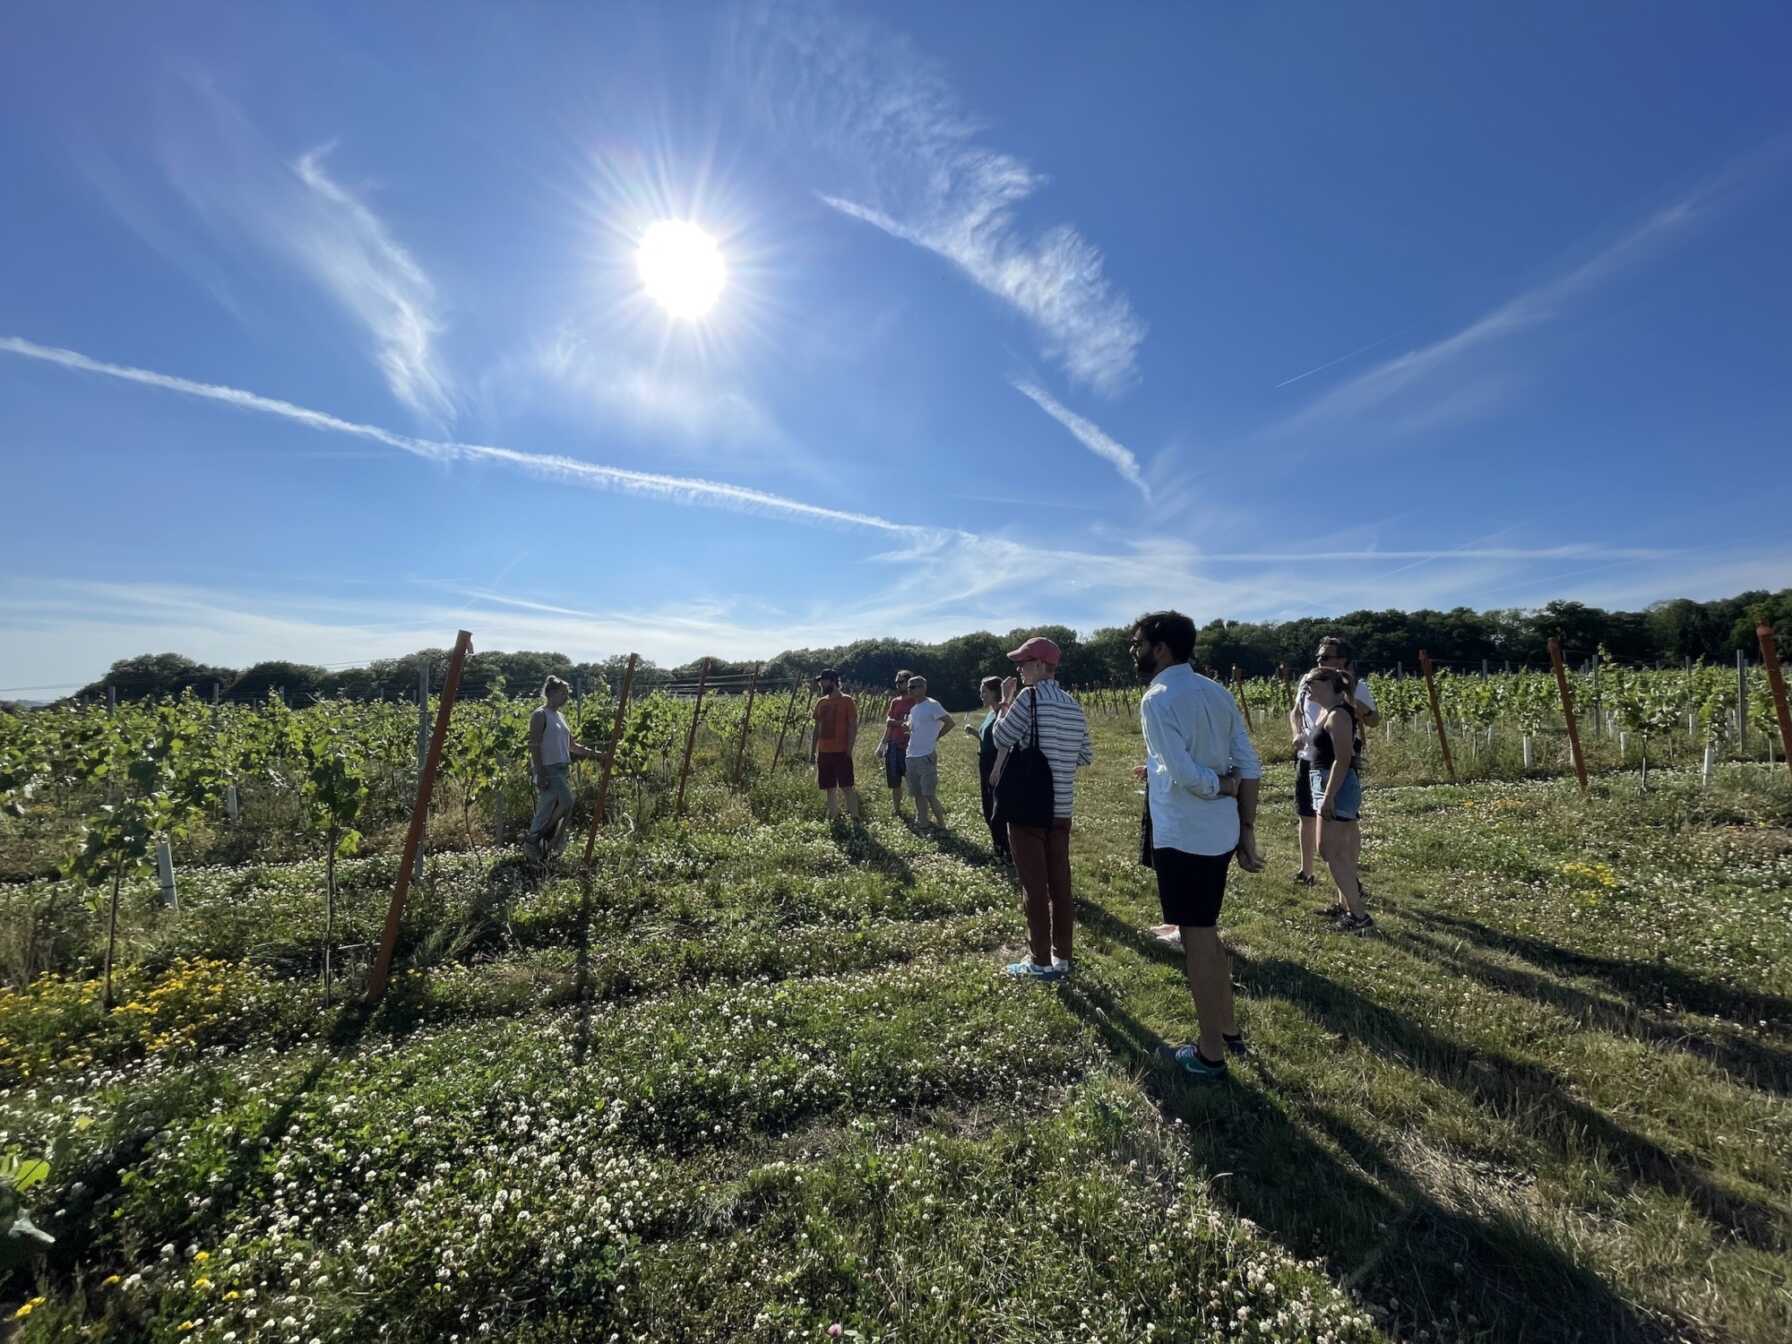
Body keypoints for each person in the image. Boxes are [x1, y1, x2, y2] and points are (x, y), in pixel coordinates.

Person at [1131, 611, 1264, 1081]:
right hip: (1220, 834)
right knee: (1207, 931)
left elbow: (1189, 775)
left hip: (1184, 835)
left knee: (1197, 939)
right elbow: (1249, 763)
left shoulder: (1157, 699)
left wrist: (1220, 786)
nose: (1134, 652)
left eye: (1138, 643)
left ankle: (1209, 1053)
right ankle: (1227, 1028)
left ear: (1161, 648)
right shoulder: (1216, 691)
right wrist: (1246, 828)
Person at [991, 636, 1094, 980]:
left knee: (1034, 887)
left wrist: (1004, 704)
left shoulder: (1029, 697)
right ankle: (1062, 956)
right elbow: (1086, 755)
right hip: (1062, 808)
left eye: (1023, 663)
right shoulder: (1072, 704)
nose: (1019, 670)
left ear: (1039, 665)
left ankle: (1039, 960)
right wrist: (1059, 758)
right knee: (1060, 884)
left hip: (1029, 807)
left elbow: (1001, 737)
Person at [1290, 635, 1379, 893]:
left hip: (1337, 761)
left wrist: (1352, 701)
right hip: (1308, 758)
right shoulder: (1308, 680)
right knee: (1306, 815)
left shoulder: (1355, 687)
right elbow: (1295, 712)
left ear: (1344, 660)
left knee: (1345, 822)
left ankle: (1349, 881)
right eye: (1319, 656)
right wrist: (1297, 733)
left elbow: (1374, 721)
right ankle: (1306, 872)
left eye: (1326, 657)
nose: (1320, 660)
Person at [1305, 667, 1373, 933]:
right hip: (1326, 784)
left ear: (1329, 685)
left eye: (1311, 682)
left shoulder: (1339, 715)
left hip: (1335, 787)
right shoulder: (1328, 712)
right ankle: (1349, 907)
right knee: (1336, 853)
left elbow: (1343, 760)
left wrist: (1328, 798)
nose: (1307, 686)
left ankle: (1358, 916)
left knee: (1330, 851)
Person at [524, 675, 602, 862]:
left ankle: (542, 846)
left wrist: (598, 755)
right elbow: (534, 745)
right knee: (567, 802)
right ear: (551, 693)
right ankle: (535, 838)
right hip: (548, 768)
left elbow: (572, 746)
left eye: (567, 694)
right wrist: (540, 772)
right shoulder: (540, 715)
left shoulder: (561, 717)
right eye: (563, 693)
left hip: (562, 768)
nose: (566, 697)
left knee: (547, 808)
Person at [964, 675, 1011, 861]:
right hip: (985, 761)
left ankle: (1007, 850)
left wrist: (997, 768)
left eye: (984, 691)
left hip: (995, 762)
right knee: (987, 806)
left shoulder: (1002, 711)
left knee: (996, 809)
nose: (981, 695)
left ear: (994, 692)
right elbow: (989, 738)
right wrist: (975, 733)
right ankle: (999, 847)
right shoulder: (991, 713)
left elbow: (1004, 741)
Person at [901, 675, 954, 831]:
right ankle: (923, 822)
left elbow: (950, 722)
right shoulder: (913, 709)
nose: (909, 689)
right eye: (909, 687)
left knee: (929, 794)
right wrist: (908, 729)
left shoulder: (932, 705)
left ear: (923, 688)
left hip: (926, 756)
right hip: (911, 755)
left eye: (913, 686)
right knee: (917, 793)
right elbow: (914, 729)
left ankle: (942, 825)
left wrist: (936, 737)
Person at [810, 668, 860, 820]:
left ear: (832, 681)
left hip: (842, 751)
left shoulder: (847, 701)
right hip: (824, 752)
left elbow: (853, 726)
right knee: (829, 787)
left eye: (823, 681)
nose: (821, 684)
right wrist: (813, 752)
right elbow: (817, 729)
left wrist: (849, 749)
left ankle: (855, 818)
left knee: (847, 786)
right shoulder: (821, 702)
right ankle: (834, 817)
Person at [879, 670, 917, 819]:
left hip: (910, 746)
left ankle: (919, 811)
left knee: (913, 780)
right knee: (894, 782)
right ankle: (897, 810)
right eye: (896, 682)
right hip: (893, 745)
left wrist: (895, 722)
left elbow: (913, 724)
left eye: (900, 682)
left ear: (908, 682)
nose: (898, 685)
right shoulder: (895, 702)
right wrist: (882, 744)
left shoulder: (916, 701)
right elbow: (888, 724)